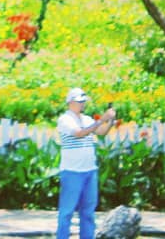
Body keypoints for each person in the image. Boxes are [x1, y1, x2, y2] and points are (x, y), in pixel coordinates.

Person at [56, 87, 116, 239]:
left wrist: (110, 121)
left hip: (90, 171)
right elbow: (79, 133)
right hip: (72, 172)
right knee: (67, 212)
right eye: (79, 101)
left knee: (88, 212)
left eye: (84, 102)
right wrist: (102, 119)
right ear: (70, 102)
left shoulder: (87, 119)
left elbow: (101, 132)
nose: (82, 104)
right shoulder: (65, 119)